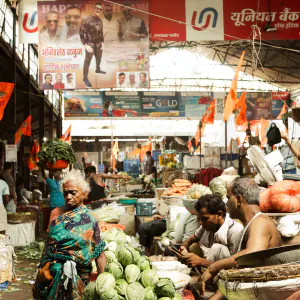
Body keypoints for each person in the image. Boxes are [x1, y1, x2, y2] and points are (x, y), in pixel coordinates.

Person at [200, 178, 282, 299]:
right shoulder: (251, 225)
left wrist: (213, 267)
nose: (226, 204)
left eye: (228, 198)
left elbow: (252, 254)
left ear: (238, 200)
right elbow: (240, 270)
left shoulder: (260, 223)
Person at [33, 170, 107, 299]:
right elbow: (49, 246)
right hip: (53, 274)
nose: (68, 197)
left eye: (73, 193)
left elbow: (99, 252)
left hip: (80, 277)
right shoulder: (56, 213)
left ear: (84, 194)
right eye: (65, 193)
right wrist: (41, 270)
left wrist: (102, 282)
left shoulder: (91, 218)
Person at [179, 194, 243, 268]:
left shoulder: (235, 230)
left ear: (219, 215)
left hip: (225, 271)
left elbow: (235, 264)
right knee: (194, 247)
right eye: (199, 219)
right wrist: (184, 248)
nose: (200, 222)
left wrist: (201, 262)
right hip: (209, 264)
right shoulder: (206, 226)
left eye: (204, 218)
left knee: (218, 248)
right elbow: (189, 240)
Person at [79, 3, 106, 89]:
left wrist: (102, 42)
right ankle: (85, 78)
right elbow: (81, 32)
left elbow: (101, 32)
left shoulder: (100, 20)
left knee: (99, 58)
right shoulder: (86, 19)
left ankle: (98, 69)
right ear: (93, 9)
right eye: (97, 8)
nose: (98, 10)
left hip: (98, 43)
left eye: (100, 9)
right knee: (87, 61)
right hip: (90, 43)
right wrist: (85, 44)